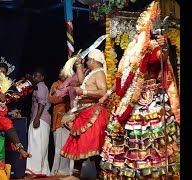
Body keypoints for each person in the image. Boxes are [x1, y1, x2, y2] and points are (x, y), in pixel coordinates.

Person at [98, 1, 180, 179]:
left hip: (149, 102)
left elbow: (161, 57)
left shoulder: (151, 45)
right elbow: (123, 78)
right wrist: (108, 94)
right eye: (137, 26)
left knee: (150, 140)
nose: (138, 29)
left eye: (141, 26)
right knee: (128, 138)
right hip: (130, 101)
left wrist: (164, 46)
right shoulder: (130, 50)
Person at [60, 48, 109, 179]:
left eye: (88, 60)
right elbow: (82, 82)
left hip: (93, 113)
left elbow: (103, 92)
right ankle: (85, 174)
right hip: (84, 112)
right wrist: (79, 66)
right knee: (83, 146)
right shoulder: (92, 73)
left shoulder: (99, 73)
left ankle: (94, 175)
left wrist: (84, 92)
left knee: (91, 147)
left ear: (93, 60)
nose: (87, 62)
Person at [25, 68, 51, 178]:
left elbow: (42, 103)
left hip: (39, 118)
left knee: (36, 145)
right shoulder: (39, 87)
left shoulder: (41, 86)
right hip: (43, 119)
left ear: (42, 78)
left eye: (37, 76)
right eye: (34, 75)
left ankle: (35, 171)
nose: (35, 78)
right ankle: (42, 170)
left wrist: (36, 118)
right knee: (41, 145)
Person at [49, 71, 74, 177]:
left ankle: (68, 170)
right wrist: (64, 97)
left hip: (69, 119)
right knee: (59, 147)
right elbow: (51, 99)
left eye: (64, 73)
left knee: (68, 146)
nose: (61, 74)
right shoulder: (56, 84)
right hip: (58, 119)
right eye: (60, 72)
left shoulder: (73, 84)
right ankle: (56, 169)